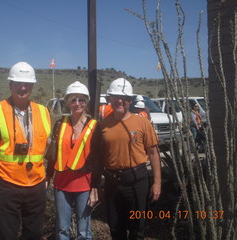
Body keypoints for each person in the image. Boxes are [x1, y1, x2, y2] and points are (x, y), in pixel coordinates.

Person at [0, 61, 51, 240]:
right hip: (7, 185)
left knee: (34, 233)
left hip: (36, 184)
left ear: (32, 86)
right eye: (18, 83)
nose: (23, 87)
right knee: (7, 234)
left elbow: (48, 147)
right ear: (10, 85)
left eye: (27, 84)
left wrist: (47, 177)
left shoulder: (43, 112)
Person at [93, 78, 161, 240]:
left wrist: (157, 183)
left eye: (125, 97)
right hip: (112, 184)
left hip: (137, 183)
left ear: (130, 100)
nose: (120, 100)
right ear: (110, 99)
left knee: (137, 229)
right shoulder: (102, 126)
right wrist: (96, 185)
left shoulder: (143, 123)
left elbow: (153, 153)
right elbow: (98, 158)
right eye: (116, 96)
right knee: (116, 228)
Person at [45, 81, 100, 240]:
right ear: (68, 102)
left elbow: (98, 160)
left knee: (84, 232)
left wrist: (95, 187)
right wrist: (47, 177)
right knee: (62, 230)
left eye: (81, 99)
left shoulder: (94, 126)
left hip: (84, 185)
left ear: (86, 102)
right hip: (61, 186)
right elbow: (52, 155)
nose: (77, 103)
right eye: (73, 100)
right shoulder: (59, 124)